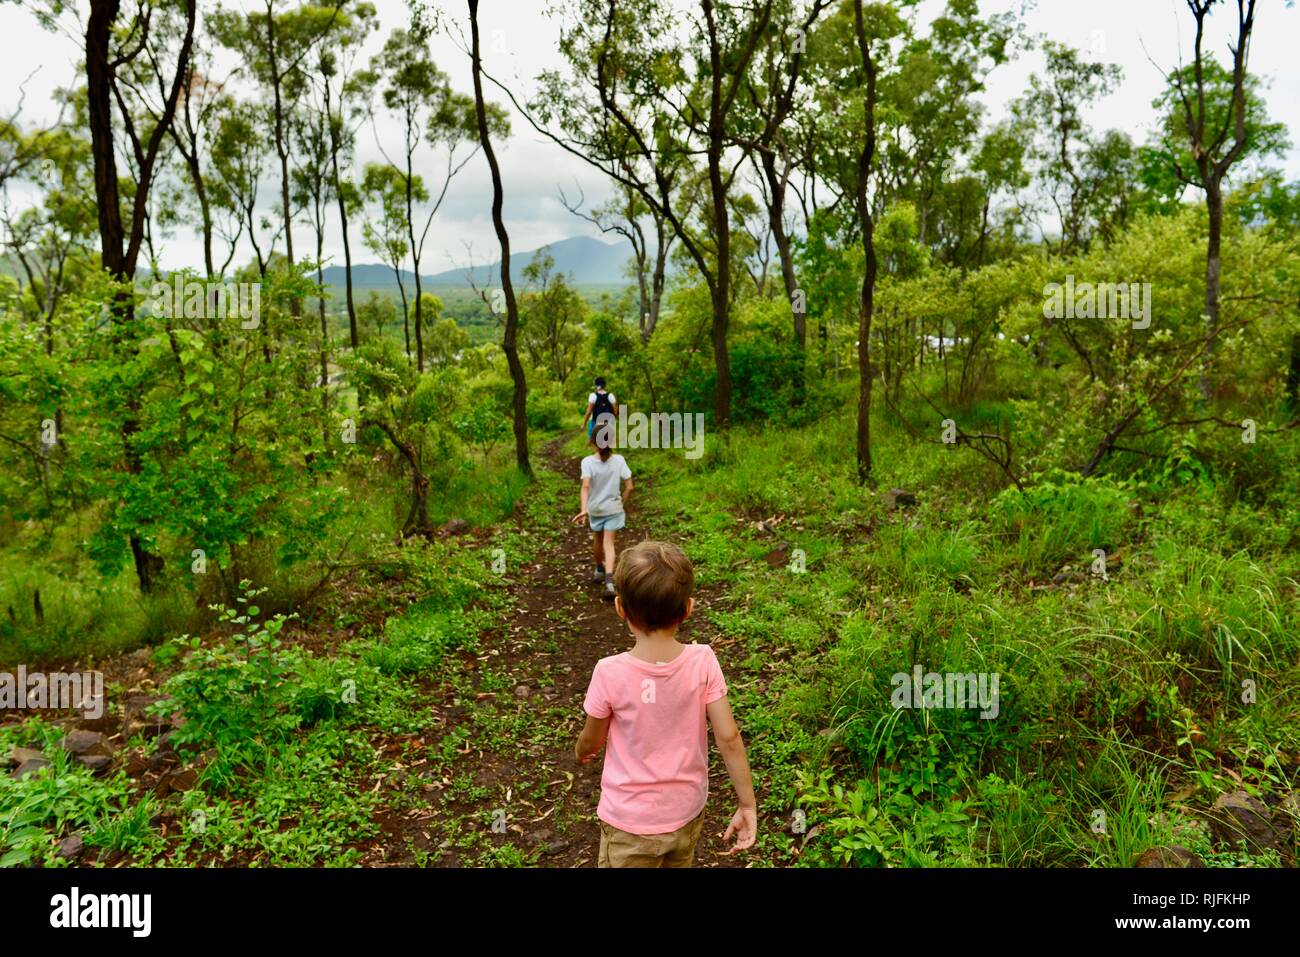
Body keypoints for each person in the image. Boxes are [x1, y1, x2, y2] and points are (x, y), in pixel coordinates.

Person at [574, 540, 758, 867]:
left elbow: (593, 737)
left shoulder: (609, 672)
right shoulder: (703, 662)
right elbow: (729, 738)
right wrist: (747, 805)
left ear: (620, 609)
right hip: (685, 814)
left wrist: (582, 750)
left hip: (628, 823)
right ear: (688, 608)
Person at [572, 424, 632, 600]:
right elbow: (630, 487)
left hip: (595, 509)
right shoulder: (619, 460)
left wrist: (584, 510)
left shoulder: (587, 462)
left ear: (593, 442)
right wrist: (622, 502)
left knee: (598, 539)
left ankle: (599, 568)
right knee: (609, 543)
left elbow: (585, 486)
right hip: (614, 509)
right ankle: (609, 581)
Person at [581, 376, 617, 440]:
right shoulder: (611, 396)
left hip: (595, 422)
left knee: (593, 441)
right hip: (607, 423)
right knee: (607, 442)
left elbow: (589, 412)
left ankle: (593, 445)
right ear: (604, 385)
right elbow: (615, 412)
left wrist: (584, 424)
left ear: (596, 385)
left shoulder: (593, 396)